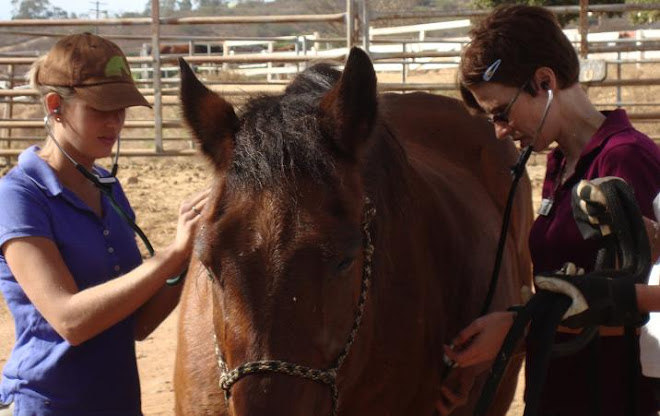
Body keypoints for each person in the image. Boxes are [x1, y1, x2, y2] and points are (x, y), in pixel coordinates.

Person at [442, 5, 660, 416]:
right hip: (560, 385)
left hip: (609, 395)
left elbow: (634, 310)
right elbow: (567, 294)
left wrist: (516, 329)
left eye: (502, 112)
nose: (500, 131)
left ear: (544, 82)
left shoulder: (626, 161)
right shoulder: (560, 164)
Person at [0, 33, 209, 415]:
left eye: (122, 109)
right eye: (100, 108)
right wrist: (172, 253)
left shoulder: (108, 188)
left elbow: (137, 324)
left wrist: (195, 252)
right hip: (52, 404)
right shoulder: (19, 196)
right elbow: (70, 320)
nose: (115, 122)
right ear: (55, 106)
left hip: (118, 401)